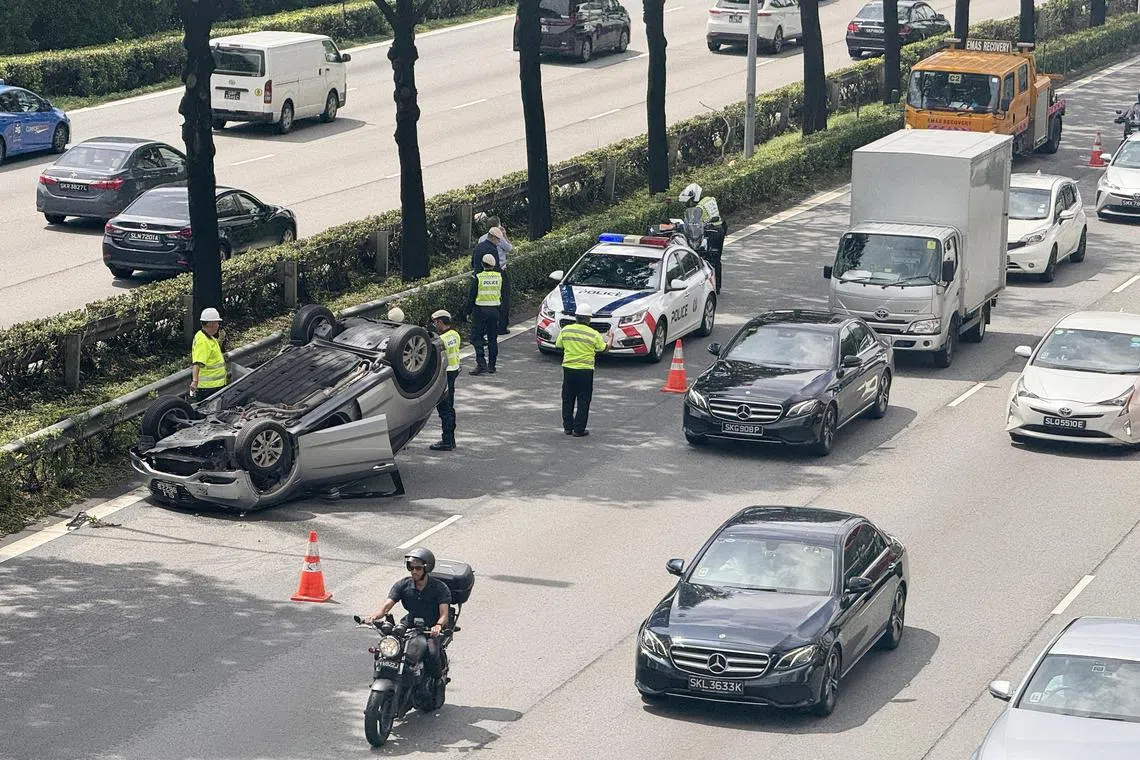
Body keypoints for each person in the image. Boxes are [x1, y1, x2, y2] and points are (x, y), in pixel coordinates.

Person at [365, 547, 451, 681]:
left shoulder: (439, 588)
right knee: (391, 647)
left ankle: (437, 682)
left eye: (418, 568)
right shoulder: (403, 585)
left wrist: (438, 626)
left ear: (426, 569)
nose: (414, 571)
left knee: (432, 653)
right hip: (410, 622)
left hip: (431, 626)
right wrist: (374, 617)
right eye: (411, 568)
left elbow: (444, 613)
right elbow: (386, 606)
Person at [555, 308, 609, 437]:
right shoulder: (593, 333)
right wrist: (610, 341)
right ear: (589, 319)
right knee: (583, 400)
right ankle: (579, 429)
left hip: (568, 369)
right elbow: (603, 349)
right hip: (585, 371)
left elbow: (558, 345)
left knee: (567, 398)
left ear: (576, 317)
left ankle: (567, 427)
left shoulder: (566, 330)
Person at [679, 183, 727, 295]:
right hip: (719, 229)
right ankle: (717, 286)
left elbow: (696, 221)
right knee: (716, 259)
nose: (688, 203)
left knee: (713, 258)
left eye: (689, 200)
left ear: (695, 197)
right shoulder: (709, 199)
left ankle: (715, 286)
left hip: (713, 231)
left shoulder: (699, 207)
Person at [429, 309, 460, 451]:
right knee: (450, 407)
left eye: (435, 323)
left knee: (444, 409)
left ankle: (447, 441)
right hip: (453, 372)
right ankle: (451, 440)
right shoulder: (455, 335)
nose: (435, 326)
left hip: (444, 375)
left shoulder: (440, 341)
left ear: (440, 322)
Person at [467, 253, 502, 375]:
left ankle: (481, 364)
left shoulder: (478, 277)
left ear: (482, 264)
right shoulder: (499, 276)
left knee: (477, 337)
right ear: (493, 265)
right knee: (493, 339)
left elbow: (471, 297)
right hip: (495, 311)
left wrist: (466, 312)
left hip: (480, 311)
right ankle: (492, 366)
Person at [189, 307, 227, 401]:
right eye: (217, 322)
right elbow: (197, 363)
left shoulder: (208, 338)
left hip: (215, 386)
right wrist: (195, 381)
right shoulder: (203, 341)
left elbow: (211, 352)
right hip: (209, 389)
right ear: (211, 323)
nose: (218, 325)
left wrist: (221, 340)